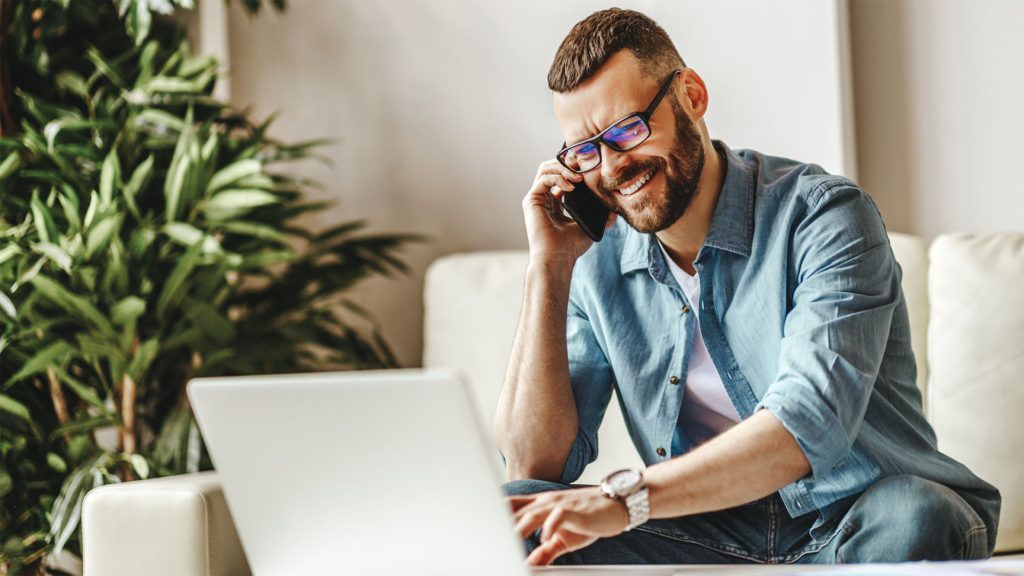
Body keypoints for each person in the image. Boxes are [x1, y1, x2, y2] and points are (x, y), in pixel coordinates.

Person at [493, 8, 1000, 567]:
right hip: (712, 532)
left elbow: (807, 422)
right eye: (586, 151)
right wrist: (549, 267)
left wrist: (626, 500)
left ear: (691, 95)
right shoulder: (596, 260)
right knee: (519, 516)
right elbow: (532, 465)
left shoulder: (824, 215)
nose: (612, 168)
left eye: (628, 129)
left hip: (855, 515)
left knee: (917, 513)